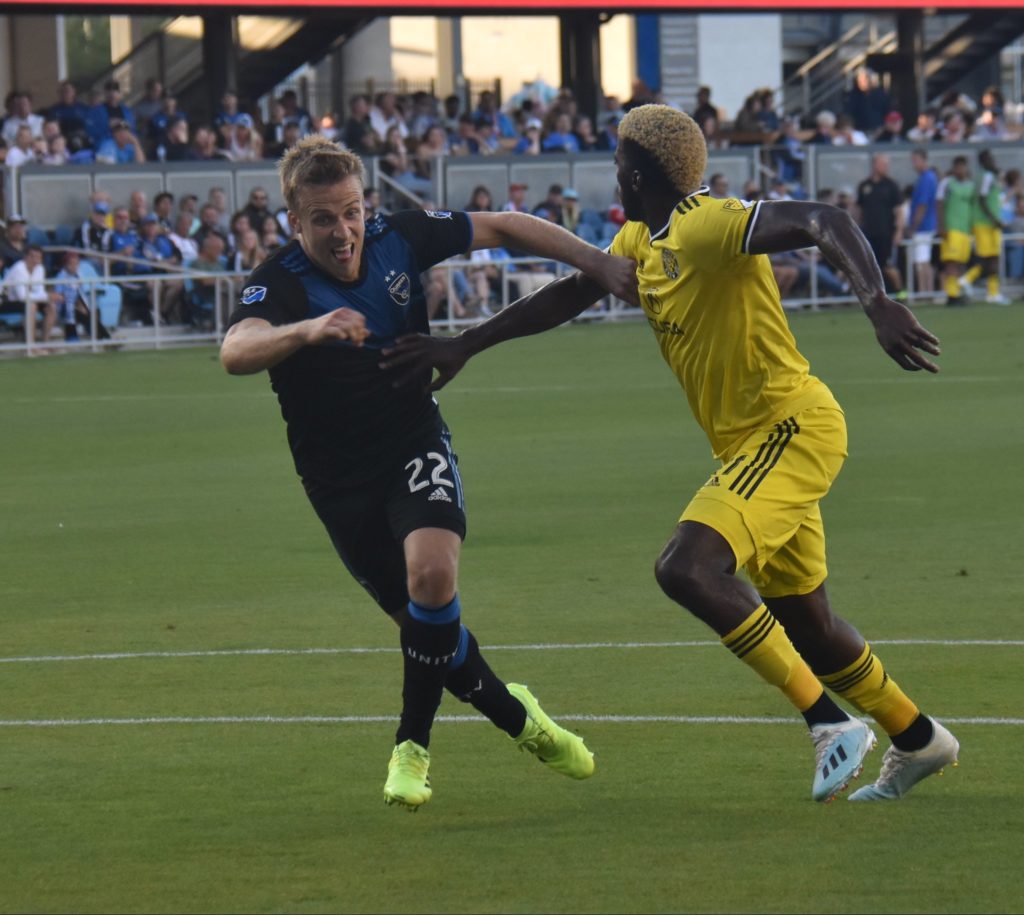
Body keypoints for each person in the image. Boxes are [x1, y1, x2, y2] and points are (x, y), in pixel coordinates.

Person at [383, 105, 960, 805]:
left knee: (685, 566)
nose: (613, 176)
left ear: (633, 172)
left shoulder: (706, 224)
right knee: (812, 625)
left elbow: (823, 220)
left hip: (791, 428)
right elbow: (571, 293)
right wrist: (464, 344)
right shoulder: (639, 239)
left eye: (617, 166)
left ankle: (829, 722)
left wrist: (878, 301)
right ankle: (917, 734)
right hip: (752, 445)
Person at [219, 134, 635, 811]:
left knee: (434, 576)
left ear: (366, 206)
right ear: (295, 223)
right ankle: (520, 717)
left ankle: (411, 746)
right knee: (429, 631)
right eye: (322, 218)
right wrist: (307, 329)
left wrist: (599, 261)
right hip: (337, 484)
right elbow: (235, 349)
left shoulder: (399, 239)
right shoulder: (282, 282)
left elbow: (501, 225)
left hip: (414, 441)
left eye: (351, 211)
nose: (343, 229)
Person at [959, 149, 1011, 305]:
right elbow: (982, 200)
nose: (993, 161)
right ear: (983, 161)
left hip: (989, 224)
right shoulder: (987, 176)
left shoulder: (987, 176)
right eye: (989, 159)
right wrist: (995, 219)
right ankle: (966, 280)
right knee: (987, 258)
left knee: (993, 257)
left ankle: (993, 293)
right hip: (985, 223)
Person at [854, 153, 904, 298]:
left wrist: (899, 230)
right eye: (883, 164)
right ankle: (874, 296)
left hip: (886, 232)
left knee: (887, 265)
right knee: (869, 266)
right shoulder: (864, 186)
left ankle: (900, 292)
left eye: (887, 165)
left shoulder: (891, 185)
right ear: (875, 165)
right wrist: (855, 228)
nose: (885, 167)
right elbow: (859, 210)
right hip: (868, 233)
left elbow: (899, 209)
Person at [1, 244, 58, 352]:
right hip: (7, 301)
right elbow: (21, 296)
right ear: (25, 257)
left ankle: (45, 343)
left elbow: (39, 290)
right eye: (32, 256)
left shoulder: (40, 268)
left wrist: (48, 298)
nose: (35, 259)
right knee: (31, 306)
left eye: (38, 257)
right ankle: (31, 345)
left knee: (51, 306)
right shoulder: (19, 269)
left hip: (27, 300)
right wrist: (47, 296)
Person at [936, 155, 975, 306]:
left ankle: (958, 292)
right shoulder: (947, 183)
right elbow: (939, 203)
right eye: (957, 167)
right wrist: (941, 225)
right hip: (951, 228)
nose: (960, 170)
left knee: (960, 263)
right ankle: (951, 294)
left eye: (962, 167)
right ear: (954, 168)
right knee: (950, 262)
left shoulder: (970, 186)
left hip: (965, 229)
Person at [906, 148, 939, 297]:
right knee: (924, 259)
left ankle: (924, 292)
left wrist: (914, 225)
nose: (913, 164)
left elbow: (922, 204)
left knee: (921, 261)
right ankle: (927, 290)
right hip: (926, 224)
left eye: (915, 160)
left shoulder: (926, 178)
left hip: (923, 226)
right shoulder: (927, 178)